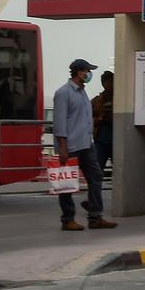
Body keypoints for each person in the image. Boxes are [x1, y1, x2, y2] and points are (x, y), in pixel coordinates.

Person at [52, 59, 117, 231]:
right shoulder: (63, 93)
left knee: (96, 177)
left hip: (86, 144)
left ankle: (95, 217)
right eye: (88, 71)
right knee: (67, 183)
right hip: (71, 146)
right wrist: (63, 147)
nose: (89, 74)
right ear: (80, 72)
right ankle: (67, 219)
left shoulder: (82, 93)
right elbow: (59, 123)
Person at [91, 70, 115, 170]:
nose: (109, 84)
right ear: (103, 83)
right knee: (98, 168)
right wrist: (101, 119)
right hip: (101, 139)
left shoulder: (121, 99)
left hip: (115, 139)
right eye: (107, 82)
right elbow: (90, 119)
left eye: (111, 81)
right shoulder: (97, 101)